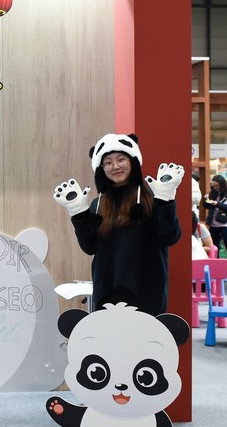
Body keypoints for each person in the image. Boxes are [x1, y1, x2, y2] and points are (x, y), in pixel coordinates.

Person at [54, 133, 183, 315]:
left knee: (143, 342)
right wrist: (78, 214)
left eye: (121, 159)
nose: (115, 166)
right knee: (108, 343)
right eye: (107, 162)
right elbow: (89, 247)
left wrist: (166, 201)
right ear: (101, 168)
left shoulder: (151, 198)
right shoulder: (98, 204)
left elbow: (169, 236)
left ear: (133, 161)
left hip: (146, 293)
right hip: (107, 294)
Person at [203, 174, 227, 271]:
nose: (215, 187)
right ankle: (215, 270)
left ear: (222, 184)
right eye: (213, 185)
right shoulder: (212, 193)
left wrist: (217, 204)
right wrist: (205, 200)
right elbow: (206, 206)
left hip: (226, 225)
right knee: (215, 248)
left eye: (216, 185)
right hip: (214, 224)